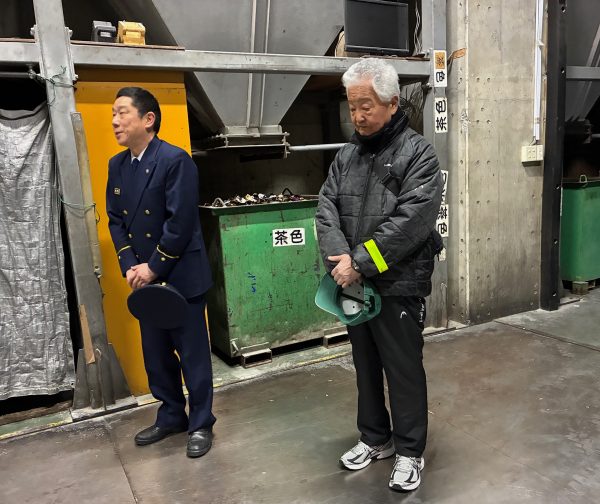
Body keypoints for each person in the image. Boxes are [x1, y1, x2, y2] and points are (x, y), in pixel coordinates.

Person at [315, 58, 443, 492]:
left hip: (398, 283)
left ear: (391, 103)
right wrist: (339, 259)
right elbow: (326, 207)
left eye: (365, 106)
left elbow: (412, 222)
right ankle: (375, 438)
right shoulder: (346, 155)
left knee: (402, 368)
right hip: (354, 282)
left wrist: (359, 263)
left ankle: (409, 451)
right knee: (365, 364)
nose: (357, 116)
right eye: (352, 107)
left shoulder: (418, 154)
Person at [106, 87, 215, 458]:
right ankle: (171, 415)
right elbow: (115, 220)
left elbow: (179, 223)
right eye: (113, 114)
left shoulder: (174, 160)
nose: (115, 121)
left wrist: (153, 267)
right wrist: (130, 267)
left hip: (179, 274)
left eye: (122, 112)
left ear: (148, 119)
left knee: (193, 356)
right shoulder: (117, 165)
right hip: (143, 278)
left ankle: (201, 422)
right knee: (156, 354)